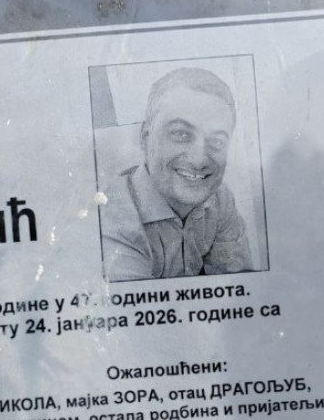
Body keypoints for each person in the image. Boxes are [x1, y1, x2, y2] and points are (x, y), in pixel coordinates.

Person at [100, 67, 255, 281]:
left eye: (217, 141)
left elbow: (241, 288)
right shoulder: (110, 221)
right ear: (145, 136)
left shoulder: (220, 200)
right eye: (181, 134)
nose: (199, 160)